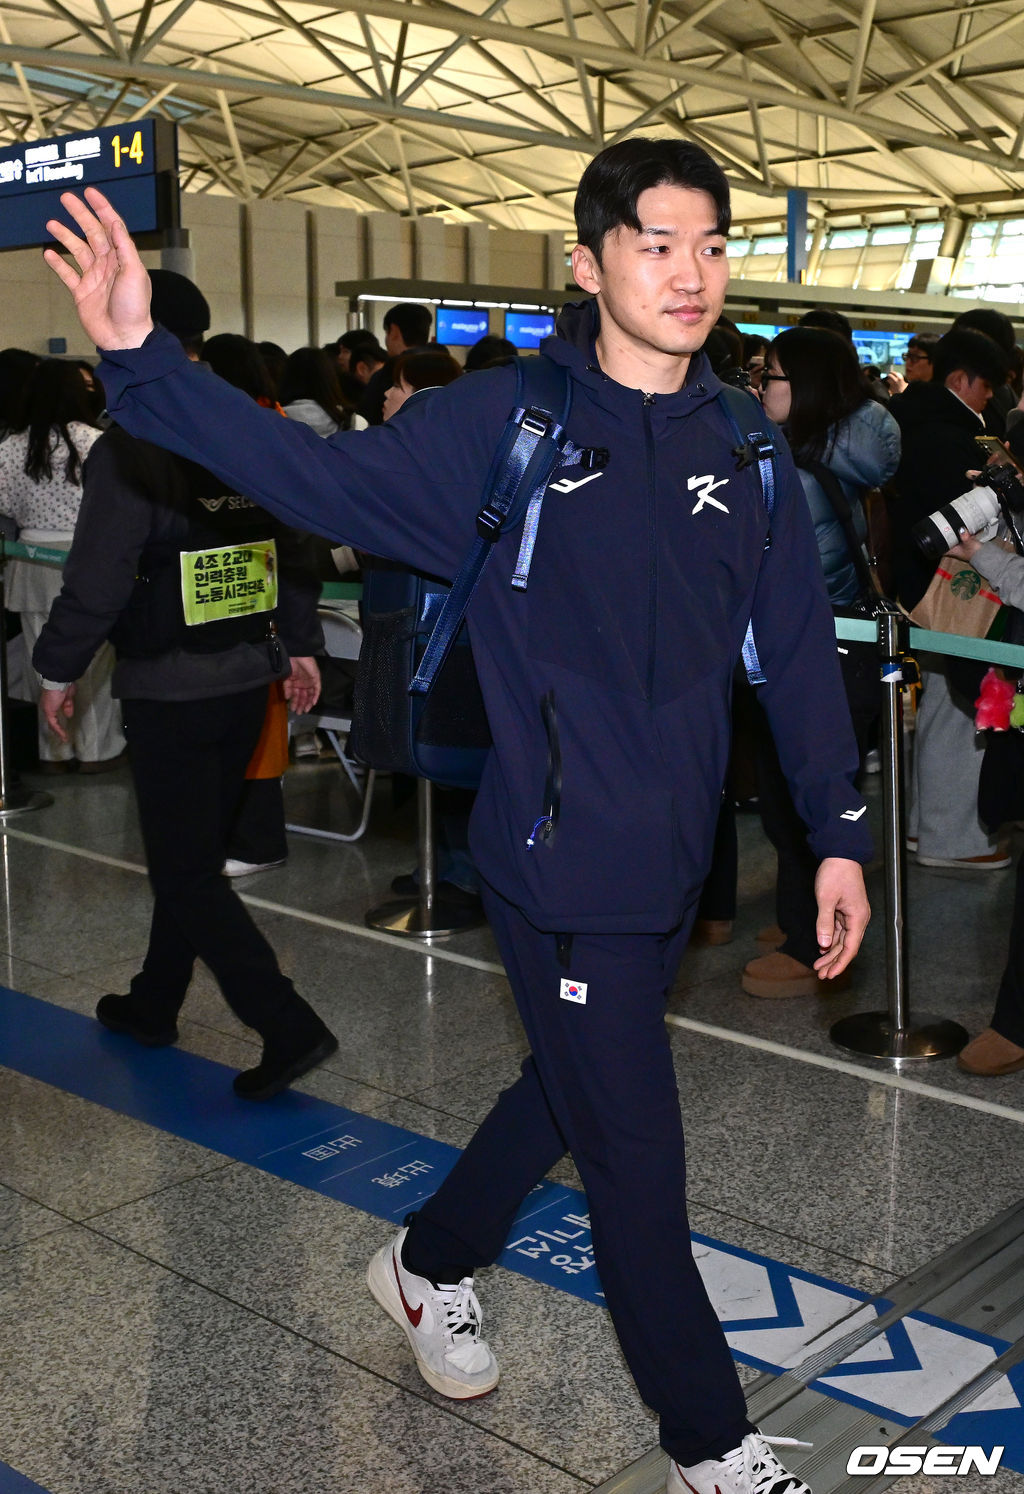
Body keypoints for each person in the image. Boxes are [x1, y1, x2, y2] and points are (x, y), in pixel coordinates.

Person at [44, 139, 871, 1494]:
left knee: (569, 1086)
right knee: (635, 1156)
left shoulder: (743, 441)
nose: (691, 273)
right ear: (588, 263)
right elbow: (311, 479)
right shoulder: (506, 423)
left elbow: (789, 646)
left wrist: (836, 833)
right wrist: (144, 362)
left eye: (713, 246)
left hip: (667, 859)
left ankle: (426, 1263)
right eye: (658, 244)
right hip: (554, 859)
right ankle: (712, 1444)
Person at [32, 267, 338, 1102]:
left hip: (172, 687)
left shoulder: (132, 446)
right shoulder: (247, 424)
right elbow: (294, 542)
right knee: (191, 853)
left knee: (186, 872)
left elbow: (99, 578)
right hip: (246, 675)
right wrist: (300, 645)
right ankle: (153, 1002)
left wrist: (57, 669)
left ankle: (287, 1023)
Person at [742, 326, 900, 997]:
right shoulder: (833, 453)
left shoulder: (797, 473)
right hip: (843, 645)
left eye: (770, 376)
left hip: (814, 649)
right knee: (802, 792)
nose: (759, 387)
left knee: (801, 798)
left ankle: (813, 943)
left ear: (801, 386)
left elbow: (770, 577)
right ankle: (800, 919)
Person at [889, 327, 1012, 870]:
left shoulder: (913, 419)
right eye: (986, 386)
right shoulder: (950, 436)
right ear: (961, 379)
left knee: (943, 704)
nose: (989, 398)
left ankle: (926, 827)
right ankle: (953, 838)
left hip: (922, 587)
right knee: (962, 710)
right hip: (952, 588)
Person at [0, 358, 124, 772]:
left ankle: (54, 751)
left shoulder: (11, 446)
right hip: (91, 558)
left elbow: (4, 504)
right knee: (95, 661)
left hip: (31, 561)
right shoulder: (98, 442)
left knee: (43, 659)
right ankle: (97, 751)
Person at [358, 302, 432, 425]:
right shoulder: (448, 370)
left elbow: (367, 416)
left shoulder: (388, 373)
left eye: (397, 386)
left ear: (394, 331)